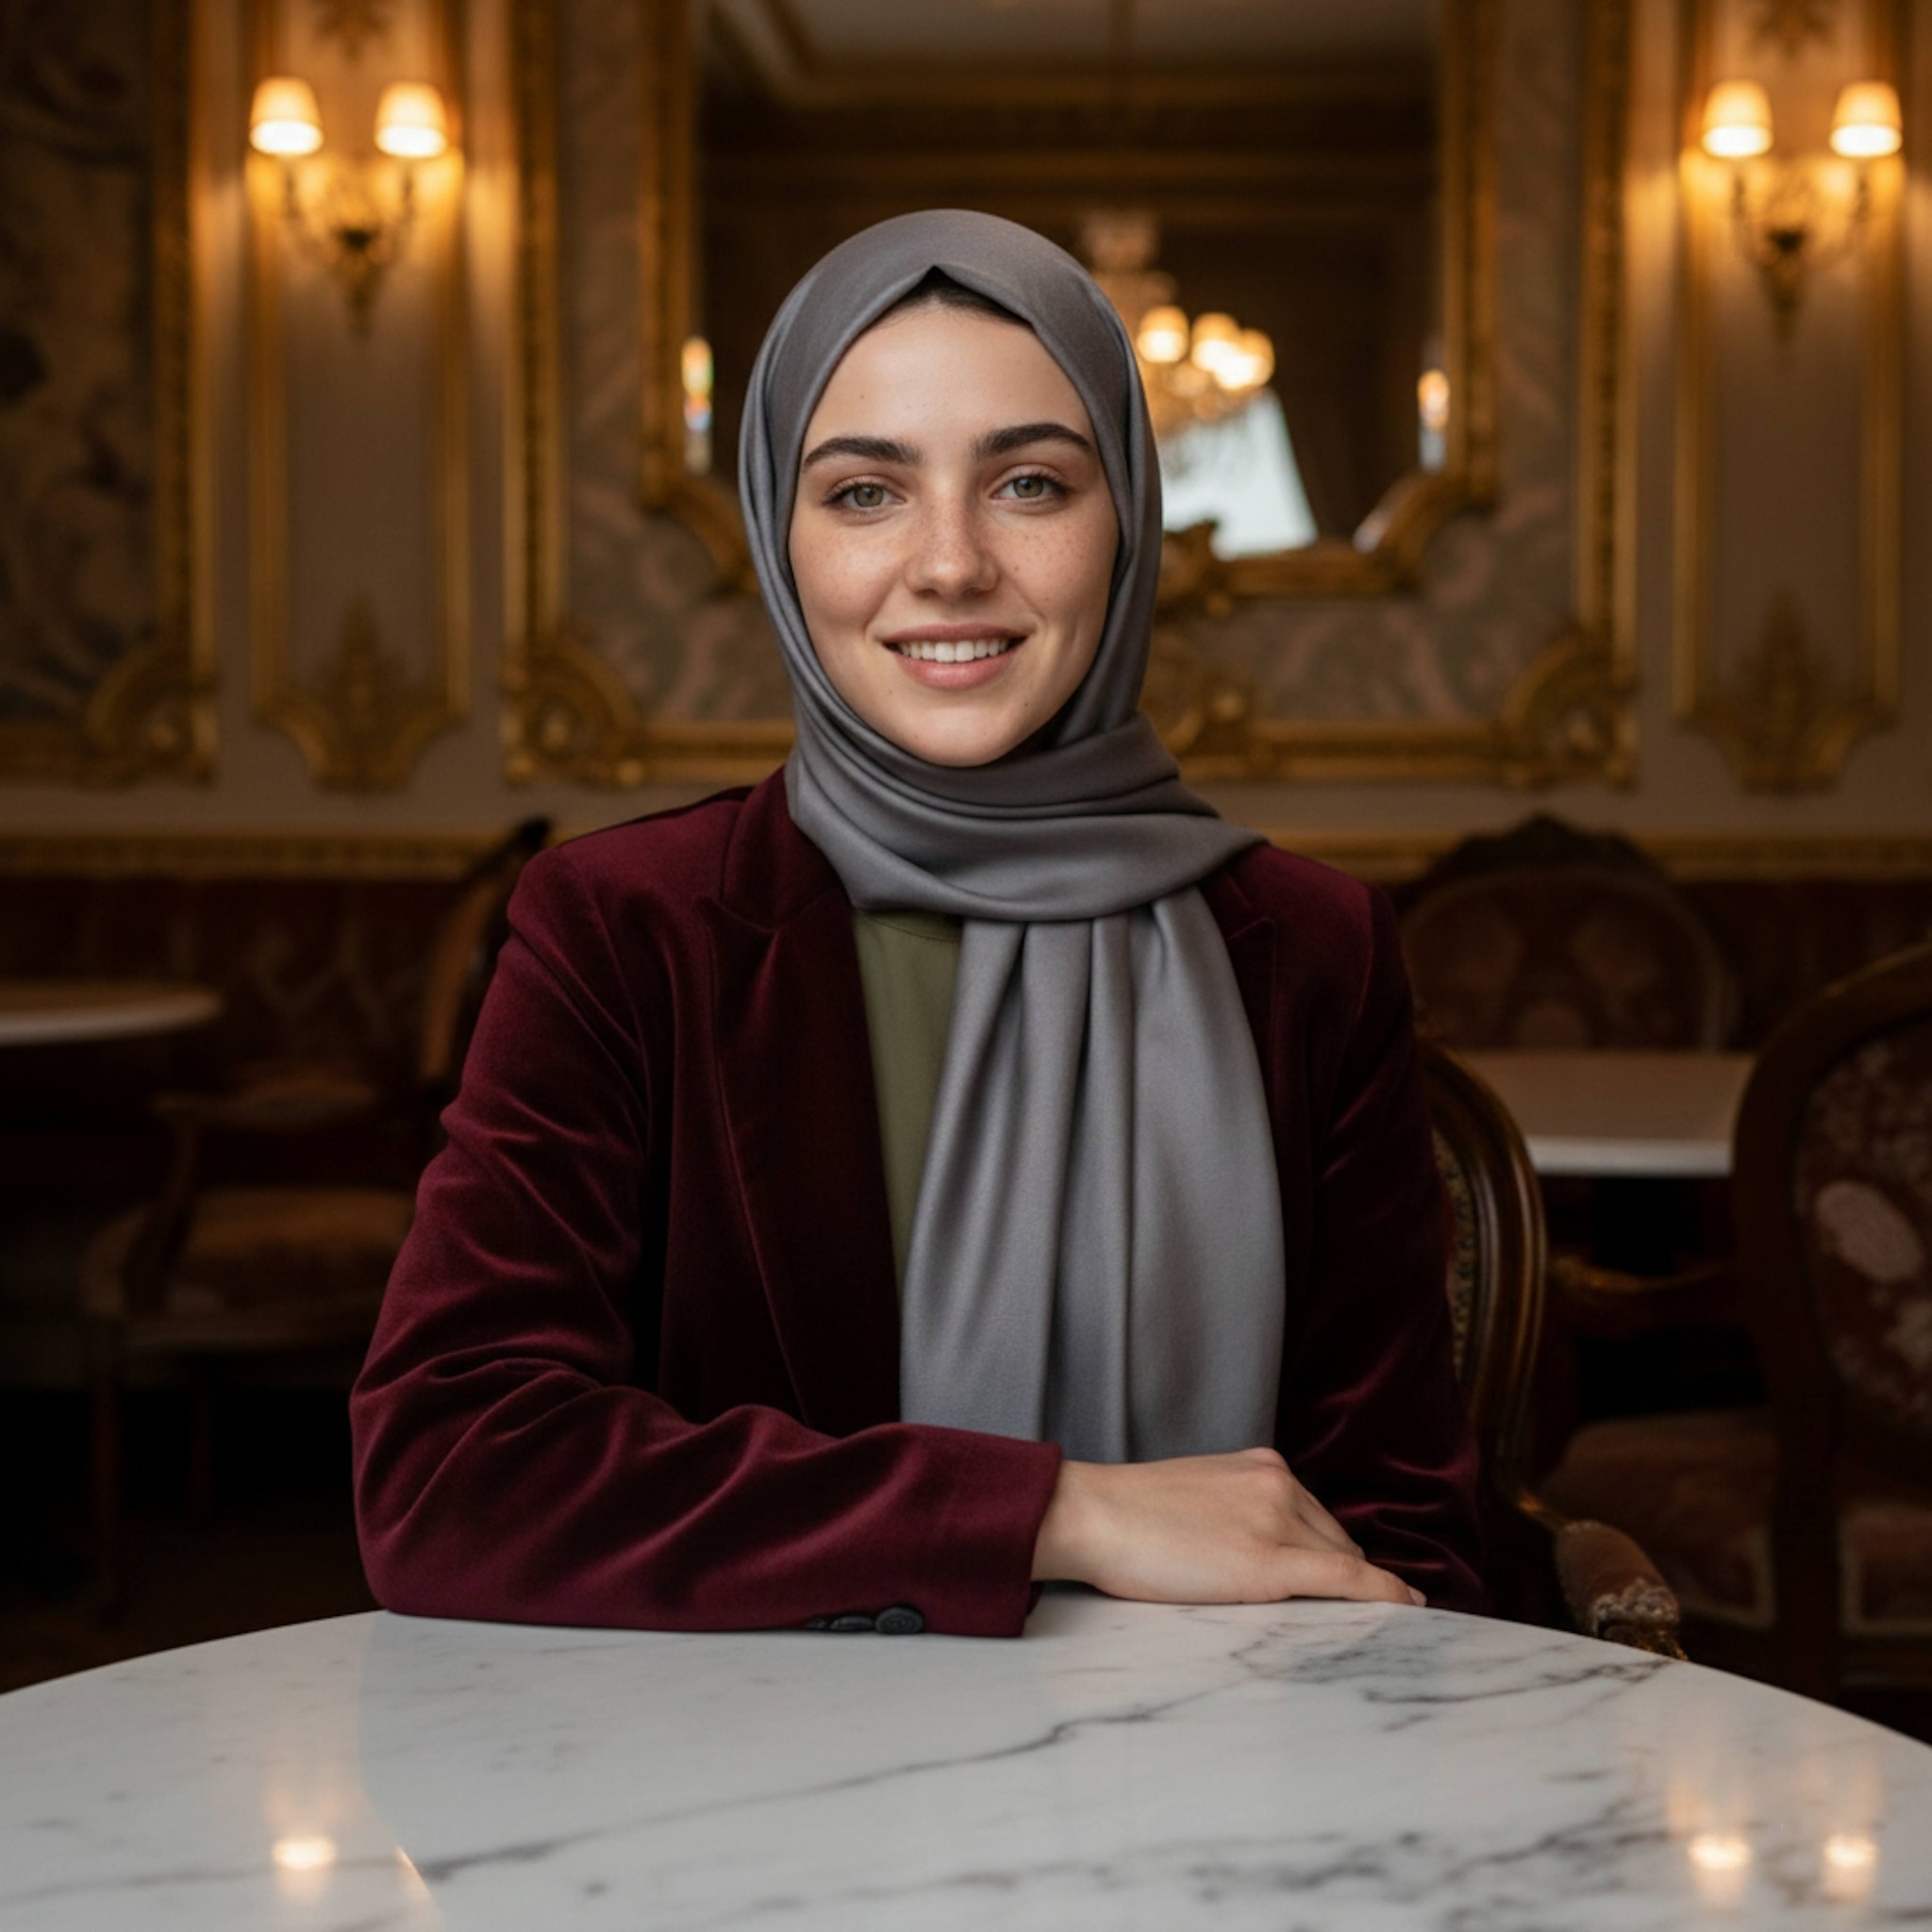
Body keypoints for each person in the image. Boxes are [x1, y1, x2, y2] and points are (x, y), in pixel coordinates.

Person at [351, 210, 1483, 1638]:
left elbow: (1404, 1540)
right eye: (866, 494)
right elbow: (450, 1473)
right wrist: (1058, 1510)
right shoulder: (624, 932)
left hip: (1202, 1789)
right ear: (780, 533)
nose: (949, 566)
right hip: (711, 1804)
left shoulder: (1312, 951)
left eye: (1027, 483)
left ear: (1126, 514)